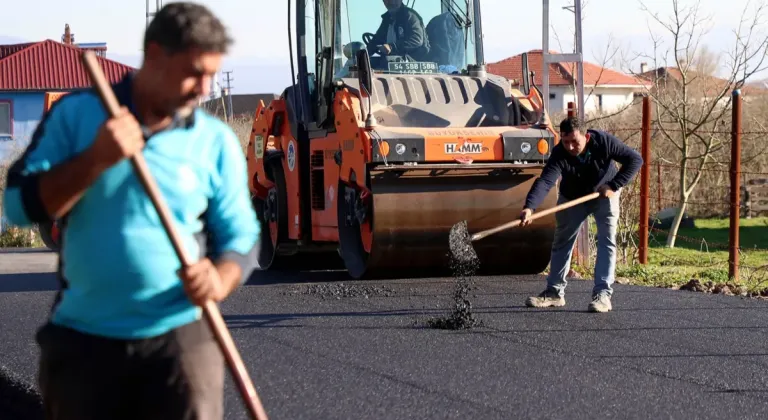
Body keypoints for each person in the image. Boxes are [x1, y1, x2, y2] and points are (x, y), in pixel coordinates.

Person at [1, 2, 260, 419]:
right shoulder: (78, 115)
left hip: (179, 339)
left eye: (212, 73)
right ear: (155, 56)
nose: (205, 88)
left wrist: (219, 278)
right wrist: (94, 160)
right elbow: (16, 206)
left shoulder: (214, 141)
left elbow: (241, 239)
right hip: (84, 343)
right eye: (195, 72)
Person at [520, 117, 643, 313]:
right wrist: (530, 207)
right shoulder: (560, 152)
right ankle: (554, 292)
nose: (569, 147)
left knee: (607, 241)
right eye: (565, 141)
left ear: (585, 136)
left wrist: (614, 185)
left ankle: (602, 295)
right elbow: (545, 181)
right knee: (562, 241)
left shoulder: (603, 142)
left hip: (604, 194)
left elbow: (635, 159)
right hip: (572, 197)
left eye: (574, 141)